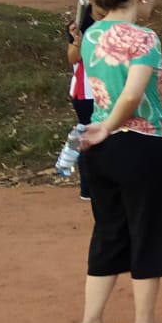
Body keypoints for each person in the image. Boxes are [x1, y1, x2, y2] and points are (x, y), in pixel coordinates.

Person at [74, 0, 162, 323]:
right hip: (143, 144)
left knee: (108, 230)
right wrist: (112, 124)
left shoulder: (90, 35)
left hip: (100, 148)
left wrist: (103, 127)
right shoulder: (144, 38)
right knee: (148, 230)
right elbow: (134, 95)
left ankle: (92, 322)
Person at [66, 12, 97, 201]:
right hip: (85, 95)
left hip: (101, 94)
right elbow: (72, 57)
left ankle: (96, 186)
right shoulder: (80, 35)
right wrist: (77, 39)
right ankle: (86, 188)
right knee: (85, 137)